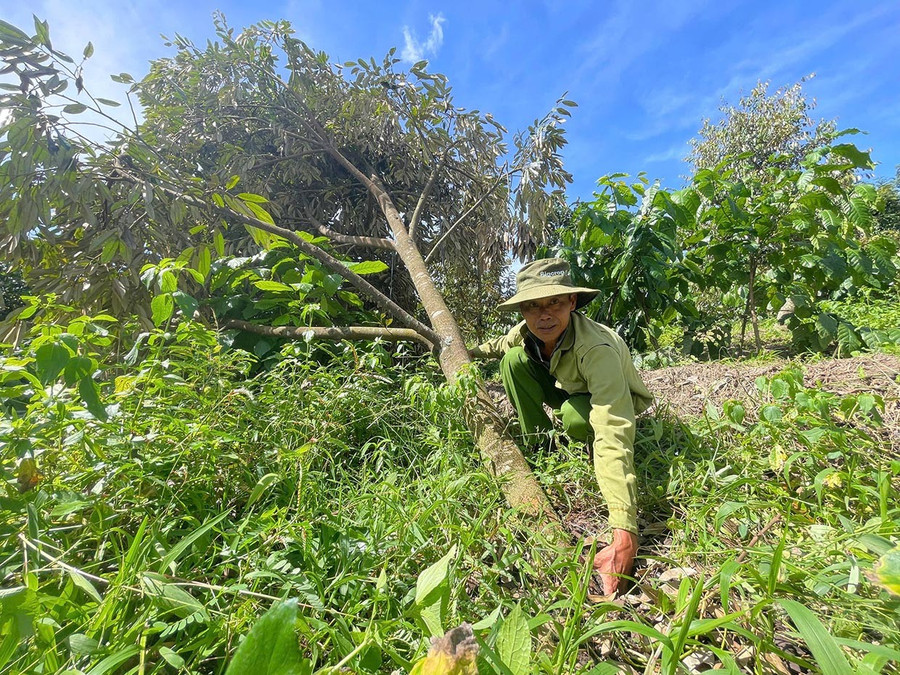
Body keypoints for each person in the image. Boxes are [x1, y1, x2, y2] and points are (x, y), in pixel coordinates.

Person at [469, 258, 653, 595]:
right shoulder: (527, 330)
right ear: (522, 310)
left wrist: (624, 533)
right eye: (532, 306)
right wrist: (459, 351)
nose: (544, 315)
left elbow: (614, 431)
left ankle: (574, 435)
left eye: (554, 302)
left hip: (596, 398)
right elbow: (498, 346)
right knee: (512, 361)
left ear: (571, 301)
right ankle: (541, 445)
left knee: (574, 417)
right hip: (564, 386)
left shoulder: (596, 349)